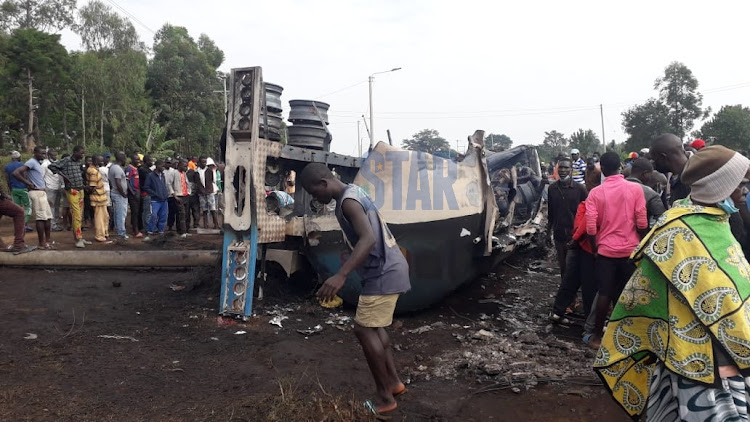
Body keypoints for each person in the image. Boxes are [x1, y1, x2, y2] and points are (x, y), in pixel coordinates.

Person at [594, 145, 750, 420]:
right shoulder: (676, 232)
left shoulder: (720, 221)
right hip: (696, 357)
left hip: (733, 354)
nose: (744, 191)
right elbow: (642, 293)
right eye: (740, 184)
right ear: (722, 188)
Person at [299, 163, 410, 415]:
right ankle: (393, 384)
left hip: (384, 271)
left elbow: (368, 239)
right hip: (387, 268)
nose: (316, 198)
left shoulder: (348, 201)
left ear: (324, 182)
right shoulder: (354, 192)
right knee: (373, 327)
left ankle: (384, 399)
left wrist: (341, 275)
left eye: (315, 192)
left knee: (363, 329)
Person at [583, 152, 647, 348]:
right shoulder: (635, 190)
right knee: (628, 294)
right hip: (630, 251)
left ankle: (596, 337)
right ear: (620, 166)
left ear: (601, 167)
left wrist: (595, 249)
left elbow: (591, 227)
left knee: (605, 293)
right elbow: (642, 222)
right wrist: (642, 245)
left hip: (606, 252)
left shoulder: (595, 193)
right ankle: (625, 334)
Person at [550, 201, 596, 324]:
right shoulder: (600, 203)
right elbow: (587, 225)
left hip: (579, 245)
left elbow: (580, 223)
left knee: (569, 280)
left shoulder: (586, 203)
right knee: (589, 285)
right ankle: (590, 320)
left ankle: (558, 311)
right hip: (589, 248)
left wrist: (575, 239)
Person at [546, 157, 588, 282]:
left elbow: (587, 212)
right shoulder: (552, 189)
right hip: (559, 233)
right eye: (561, 167)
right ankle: (566, 294)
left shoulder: (580, 189)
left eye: (566, 167)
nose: (563, 170)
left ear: (571, 170)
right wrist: (548, 232)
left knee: (574, 266)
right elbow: (551, 212)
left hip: (575, 235)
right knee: (563, 266)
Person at [49, 146, 91, 248]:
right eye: (81, 153)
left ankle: (79, 236)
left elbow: (80, 173)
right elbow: (52, 166)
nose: (82, 155)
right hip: (72, 191)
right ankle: (78, 239)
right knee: (76, 215)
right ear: (75, 152)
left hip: (80, 190)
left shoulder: (78, 162)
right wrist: (64, 176)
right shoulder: (66, 161)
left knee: (79, 216)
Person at [12, 146, 53, 249]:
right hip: (36, 193)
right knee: (41, 218)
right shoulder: (31, 162)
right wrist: (28, 183)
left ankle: (47, 242)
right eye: (41, 153)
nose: (43, 156)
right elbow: (16, 173)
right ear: (35, 152)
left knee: (47, 218)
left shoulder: (37, 163)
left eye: (44, 154)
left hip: (42, 192)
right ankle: (41, 243)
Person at [651, 133, 692, 206]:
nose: (654, 164)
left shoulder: (700, 173)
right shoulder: (678, 177)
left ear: (663, 157)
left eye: (655, 160)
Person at [625, 158, 666, 226]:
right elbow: (662, 219)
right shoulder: (650, 194)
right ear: (645, 174)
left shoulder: (612, 189)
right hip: (639, 235)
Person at [4, 150, 32, 231]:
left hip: (14, 189)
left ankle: (19, 226)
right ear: (19, 157)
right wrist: (28, 184)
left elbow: (7, 179)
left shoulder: (7, 166)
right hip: (23, 188)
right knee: (28, 207)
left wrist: (10, 189)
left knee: (17, 208)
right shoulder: (22, 165)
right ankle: (24, 224)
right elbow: (25, 176)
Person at [143, 159, 169, 239]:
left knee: (163, 216)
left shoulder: (163, 175)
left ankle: (161, 231)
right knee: (153, 216)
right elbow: (146, 187)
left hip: (164, 200)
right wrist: (155, 194)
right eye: (162, 166)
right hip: (155, 200)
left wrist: (165, 194)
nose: (163, 167)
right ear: (157, 166)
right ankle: (150, 232)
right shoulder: (150, 175)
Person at [87, 155, 109, 243]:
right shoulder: (93, 171)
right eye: (100, 161)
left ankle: (105, 233)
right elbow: (92, 186)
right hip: (97, 198)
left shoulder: (96, 169)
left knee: (105, 216)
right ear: (95, 161)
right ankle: (99, 235)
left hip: (102, 197)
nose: (102, 163)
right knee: (99, 218)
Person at [167, 159, 192, 237]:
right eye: (184, 166)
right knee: (181, 214)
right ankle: (182, 232)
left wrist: (189, 192)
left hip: (185, 195)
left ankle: (183, 230)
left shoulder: (184, 173)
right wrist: (174, 195)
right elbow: (169, 184)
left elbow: (187, 183)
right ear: (180, 165)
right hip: (178, 196)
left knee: (186, 214)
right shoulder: (174, 173)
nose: (186, 167)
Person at [41, 149, 64, 232]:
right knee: (51, 207)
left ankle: (56, 223)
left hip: (58, 187)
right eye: (53, 155)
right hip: (49, 188)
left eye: (56, 155)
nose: (55, 157)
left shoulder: (58, 163)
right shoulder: (45, 165)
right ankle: (52, 225)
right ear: (49, 155)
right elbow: (41, 177)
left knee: (57, 206)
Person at [108, 152, 129, 240]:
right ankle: (121, 233)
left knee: (118, 213)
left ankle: (120, 231)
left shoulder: (112, 167)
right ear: (122, 159)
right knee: (120, 214)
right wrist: (123, 194)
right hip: (119, 194)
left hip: (116, 193)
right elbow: (118, 182)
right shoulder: (117, 169)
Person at [196, 156, 218, 229]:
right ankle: (206, 225)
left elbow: (211, 181)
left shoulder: (209, 171)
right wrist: (202, 190)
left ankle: (216, 224)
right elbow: (197, 182)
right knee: (204, 209)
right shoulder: (197, 172)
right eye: (202, 162)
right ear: (199, 163)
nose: (204, 163)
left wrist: (208, 190)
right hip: (201, 193)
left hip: (209, 192)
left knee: (213, 209)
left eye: (205, 162)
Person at [126, 154, 143, 238]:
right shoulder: (129, 168)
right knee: (134, 212)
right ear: (132, 160)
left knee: (137, 212)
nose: (138, 161)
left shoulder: (136, 169)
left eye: (139, 160)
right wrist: (132, 193)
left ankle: (136, 228)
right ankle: (135, 231)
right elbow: (127, 181)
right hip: (133, 194)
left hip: (137, 192)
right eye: (136, 160)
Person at [138, 155, 154, 233]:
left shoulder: (147, 170)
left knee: (147, 211)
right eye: (150, 160)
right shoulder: (143, 170)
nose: (152, 162)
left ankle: (145, 226)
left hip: (147, 193)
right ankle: (147, 227)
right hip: (145, 193)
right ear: (146, 161)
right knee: (147, 211)